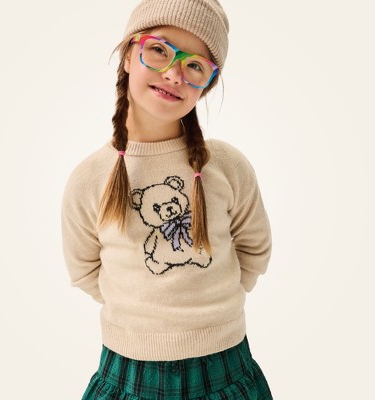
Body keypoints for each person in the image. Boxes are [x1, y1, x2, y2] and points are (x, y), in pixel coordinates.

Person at [60, 0, 273, 398]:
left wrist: (213, 314)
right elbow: (85, 270)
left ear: (206, 84)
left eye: (195, 66)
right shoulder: (90, 179)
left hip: (226, 366)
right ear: (128, 54)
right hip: (127, 371)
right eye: (159, 49)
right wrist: (143, 317)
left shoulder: (226, 166)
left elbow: (255, 249)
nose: (175, 73)